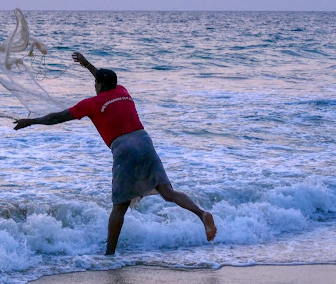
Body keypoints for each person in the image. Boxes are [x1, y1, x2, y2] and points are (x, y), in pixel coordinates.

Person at [13, 52, 217, 255]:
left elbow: (57, 117)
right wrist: (87, 65)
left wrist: (30, 121)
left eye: (96, 83)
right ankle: (202, 214)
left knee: (119, 206)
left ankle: (109, 255)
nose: (94, 86)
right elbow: (103, 78)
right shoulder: (122, 91)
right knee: (167, 192)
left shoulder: (90, 104)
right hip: (144, 141)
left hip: (125, 148)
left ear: (100, 86)